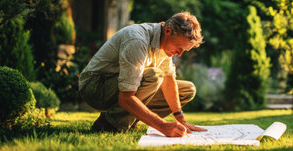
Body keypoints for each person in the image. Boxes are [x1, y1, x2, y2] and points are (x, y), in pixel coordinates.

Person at [78, 12, 207, 137]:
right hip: (95, 87)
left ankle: (132, 118)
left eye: (183, 51)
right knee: (154, 76)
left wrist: (180, 118)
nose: (179, 54)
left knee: (187, 90)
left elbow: (169, 80)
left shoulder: (165, 44)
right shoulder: (137, 40)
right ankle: (108, 124)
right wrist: (163, 126)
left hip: (118, 87)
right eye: (179, 47)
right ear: (168, 31)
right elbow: (126, 97)